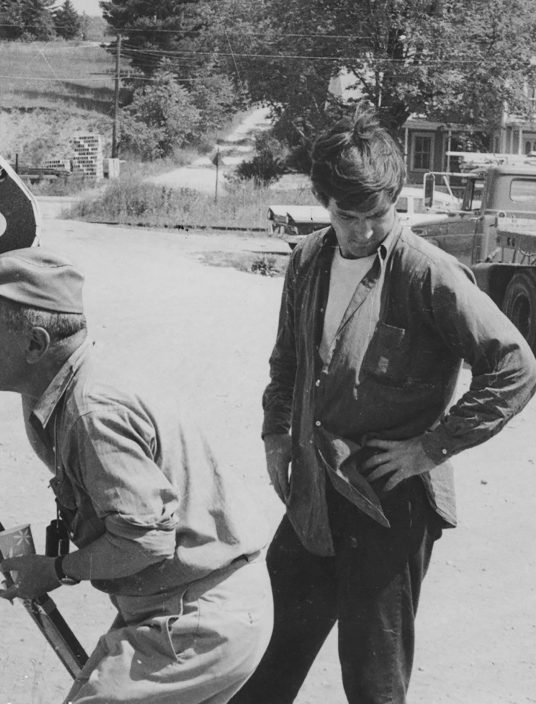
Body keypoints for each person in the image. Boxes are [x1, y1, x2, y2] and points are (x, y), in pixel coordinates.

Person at [230, 107, 536, 704]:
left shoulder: (429, 273)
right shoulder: (308, 261)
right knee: (270, 657)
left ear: (396, 199)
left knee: (373, 680)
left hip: (389, 501)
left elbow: (515, 365)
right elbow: (286, 362)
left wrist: (431, 446)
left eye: (378, 215)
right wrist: (275, 436)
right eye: (348, 216)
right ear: (324, 201)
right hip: (316, 488)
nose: (363, 231)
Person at [0, 248, 273, 704]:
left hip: (195, 617)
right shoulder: (68, 382)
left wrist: (55, 571)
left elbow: (146, 540)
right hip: (188, 606)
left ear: (35, 345)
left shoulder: (93, 410)